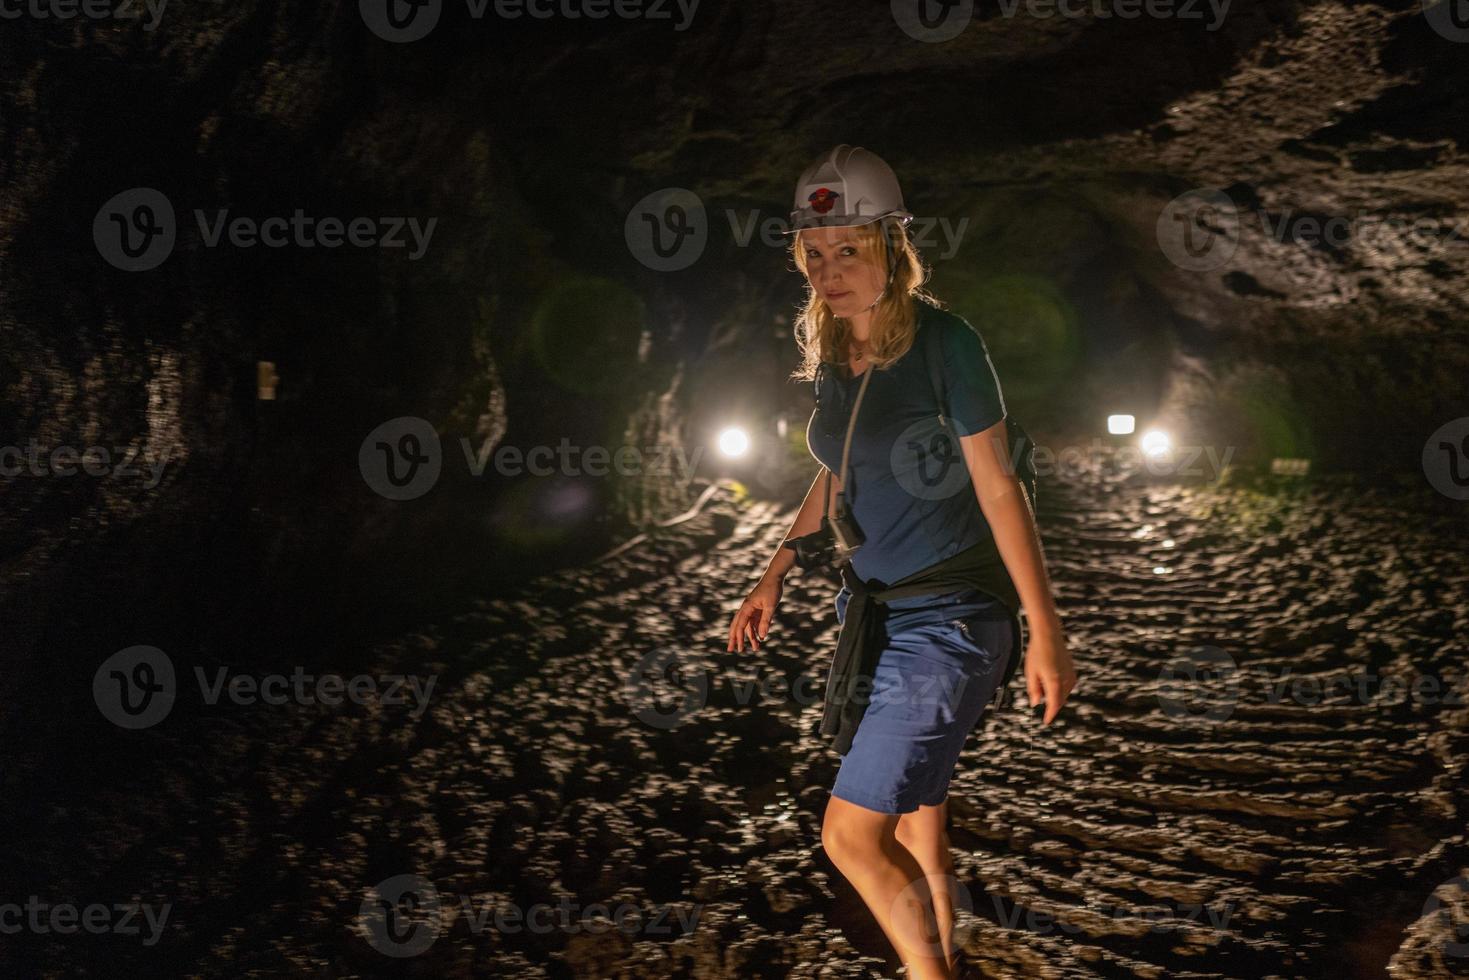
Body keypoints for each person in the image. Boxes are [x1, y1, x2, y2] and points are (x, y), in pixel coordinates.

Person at [725, 145, 1077, 979]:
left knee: (849, 833)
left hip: (950, 617)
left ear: (892, 243)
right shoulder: (835, 346)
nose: (827, 269)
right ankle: (945, 941)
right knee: (918, 813)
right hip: (873, 616)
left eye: (848, 247)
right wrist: (774, 565)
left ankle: (930, 973)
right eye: (813, 252)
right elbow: (841, 466)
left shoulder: (946, 343)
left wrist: (1044, 628)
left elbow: (998, 490)